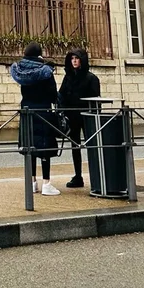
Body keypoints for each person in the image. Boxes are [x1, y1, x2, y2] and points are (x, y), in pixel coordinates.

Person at [10, 42, 61, 195]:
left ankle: (32, 182)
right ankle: (46, 183)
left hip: (27, 111)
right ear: (39, 55)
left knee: (30, 147)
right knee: (44, 148)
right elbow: (53, 94)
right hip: (43, 111)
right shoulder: (45, 71)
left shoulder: (21, 71)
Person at [58, 48, 101, 188]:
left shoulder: (91, 78)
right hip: (72, 116)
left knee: (92, 145)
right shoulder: (69, 77)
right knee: (75, 147)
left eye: (77, 58)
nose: (74, 61)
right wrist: (62, 111)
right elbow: (62, 95)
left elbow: (96, 100)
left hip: (86, 116)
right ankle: (78, 176)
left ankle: (97, 175)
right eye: (72, 59)